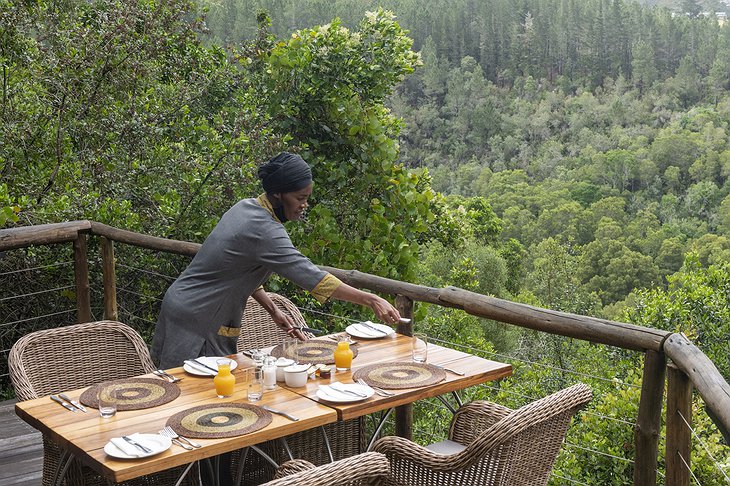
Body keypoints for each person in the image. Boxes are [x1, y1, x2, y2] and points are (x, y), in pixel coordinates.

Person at [152, 151, 402, 369]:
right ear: (278, 194)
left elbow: (235, 269)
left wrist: (273, 310)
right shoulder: (265, 229)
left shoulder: (245, 207)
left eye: (307, 198)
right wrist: (371, 299)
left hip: (183, 304)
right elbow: (313, 278)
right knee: (196, 395)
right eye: (300, 198)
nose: (305, 205)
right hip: (201, 318)